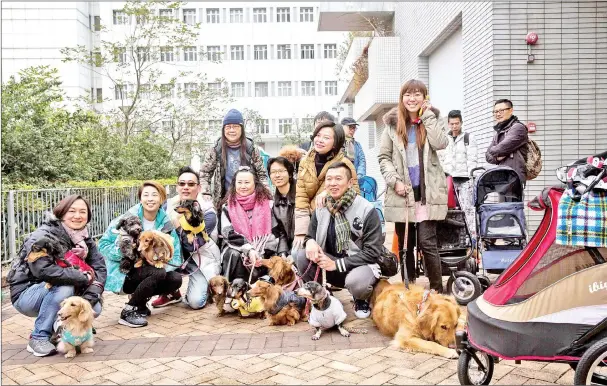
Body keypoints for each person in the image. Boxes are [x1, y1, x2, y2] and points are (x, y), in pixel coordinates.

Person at [7, 195, 106, 357]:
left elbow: (100, 267)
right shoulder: (44, 236)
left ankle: (61, 330)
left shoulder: (82, 238)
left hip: (56, 291)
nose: (77, 216)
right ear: (61, 213)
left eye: (83, 211)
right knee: (64, 286)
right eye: (72, 211)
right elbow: (43, 270)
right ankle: (39, 336)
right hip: (27, 294)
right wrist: (82, 277)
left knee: (93, 307)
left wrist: (91, 294)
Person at [378, 79, 449, 293]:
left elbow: (441, 143)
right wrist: (394, 181)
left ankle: (436, 291)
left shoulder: (433, 119)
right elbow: (384, 157)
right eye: (408, 94)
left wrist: (427, 116)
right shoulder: (391, 125)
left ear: (425, 98)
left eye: (418, 94)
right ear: (402, 98)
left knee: (428, 244)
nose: (412, 98)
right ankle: (409, 290)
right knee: (406, 245)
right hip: (402, 192)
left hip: (427, 192)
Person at [297, 162, 383, 319]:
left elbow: (373, 252)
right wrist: (309, 242)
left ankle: (361, 298)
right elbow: (310, 236)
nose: (333, 183)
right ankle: (323, 296)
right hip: (328, 263)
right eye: (329, 179)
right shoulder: (321, 207)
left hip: (358, 266)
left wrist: (336, 264)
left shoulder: (366, 209)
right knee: (301, 255)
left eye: (338, 178)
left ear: (350, 183)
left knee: (356, 282)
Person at [99, 181, 182, 328]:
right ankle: (128, 311)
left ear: (162, 198)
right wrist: (126, 251)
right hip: (125, 272)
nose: (150, 199)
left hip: (150, 271)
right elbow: (103, 245)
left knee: (175, 279)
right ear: (140, 198)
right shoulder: (127, 219)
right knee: (157, 273)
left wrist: (160, 261)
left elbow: (176, 255)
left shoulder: (165, 223)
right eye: (146, 195)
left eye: (154, 195)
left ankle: (141, 302)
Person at [294, 120, 359, 251]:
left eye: (326, 137)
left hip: (336, 222)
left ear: (335, 143)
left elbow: (355, 194)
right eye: (318, 135)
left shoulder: (345, 164)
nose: (319, 140)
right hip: (311, 221)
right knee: (297, 252)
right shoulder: (304, 162)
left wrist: (329, 191)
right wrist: (301, 232)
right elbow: (301, 197)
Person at [164, 166, 221, 310]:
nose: (186, 187)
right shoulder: (168, 207)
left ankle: (206, 289)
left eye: (191, 184)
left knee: (195, 302)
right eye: (182, 184)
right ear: (177, 187)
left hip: (200, 260)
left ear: (199, 187)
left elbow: (192, 246)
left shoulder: (208, 213)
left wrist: (178, 225)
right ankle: (170, 292)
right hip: (175, 258)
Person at [220, 167, 288, 282]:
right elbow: (228, 233)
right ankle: (235, 289)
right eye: (239, 182)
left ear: (255, 184)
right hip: (240, 250)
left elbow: (279, 232)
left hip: (265, 251)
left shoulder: (269, 205)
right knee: (233, 254)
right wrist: (250, 249)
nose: (243, 186)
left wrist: (280, 252)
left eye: (247, 182)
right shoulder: (227, 207)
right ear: (234, 184)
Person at [199, 108, 269, 210]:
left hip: (249, 201)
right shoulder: (216, 149)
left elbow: (262, 174)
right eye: (228, 127)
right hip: (224, 201)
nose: (231, 130)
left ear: (242, 129)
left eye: (235, 127)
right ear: (223, 129)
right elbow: (205, 173)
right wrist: (206, 194)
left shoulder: (251, 149)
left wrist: (267, 196)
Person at [439, 109, 477, 239]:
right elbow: (441, 158)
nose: (454, 126)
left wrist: (471, 178)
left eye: (457, 123)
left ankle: (471, 238)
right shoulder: (445, 139)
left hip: (465, 179)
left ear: (461, 123)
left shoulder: (468, 138)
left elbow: (472, 159)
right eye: (452, 124)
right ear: (448, 124)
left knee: (468, 209)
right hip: (449, 179)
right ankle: (455, 237)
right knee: (450, 210)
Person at [486, 99, 529, 185]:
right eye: (495, 111)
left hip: (514, 177)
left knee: (514, 199)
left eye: (502, 110)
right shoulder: (500, 131)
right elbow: (487, 156)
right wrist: (497, 157)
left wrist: (495, 151)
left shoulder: (518, 128)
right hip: (503, 177)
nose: (498, 114)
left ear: (511, 110)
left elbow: (499, 150)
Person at [267, 156, 296, 252]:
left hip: (303, 246)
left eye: (281, 171)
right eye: (273, 172)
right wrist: (282, 253)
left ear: (290, 173)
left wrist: (293, 253)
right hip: (289, 247)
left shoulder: (302, 195)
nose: (277, 175)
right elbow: (281, 232)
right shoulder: (275, 203)